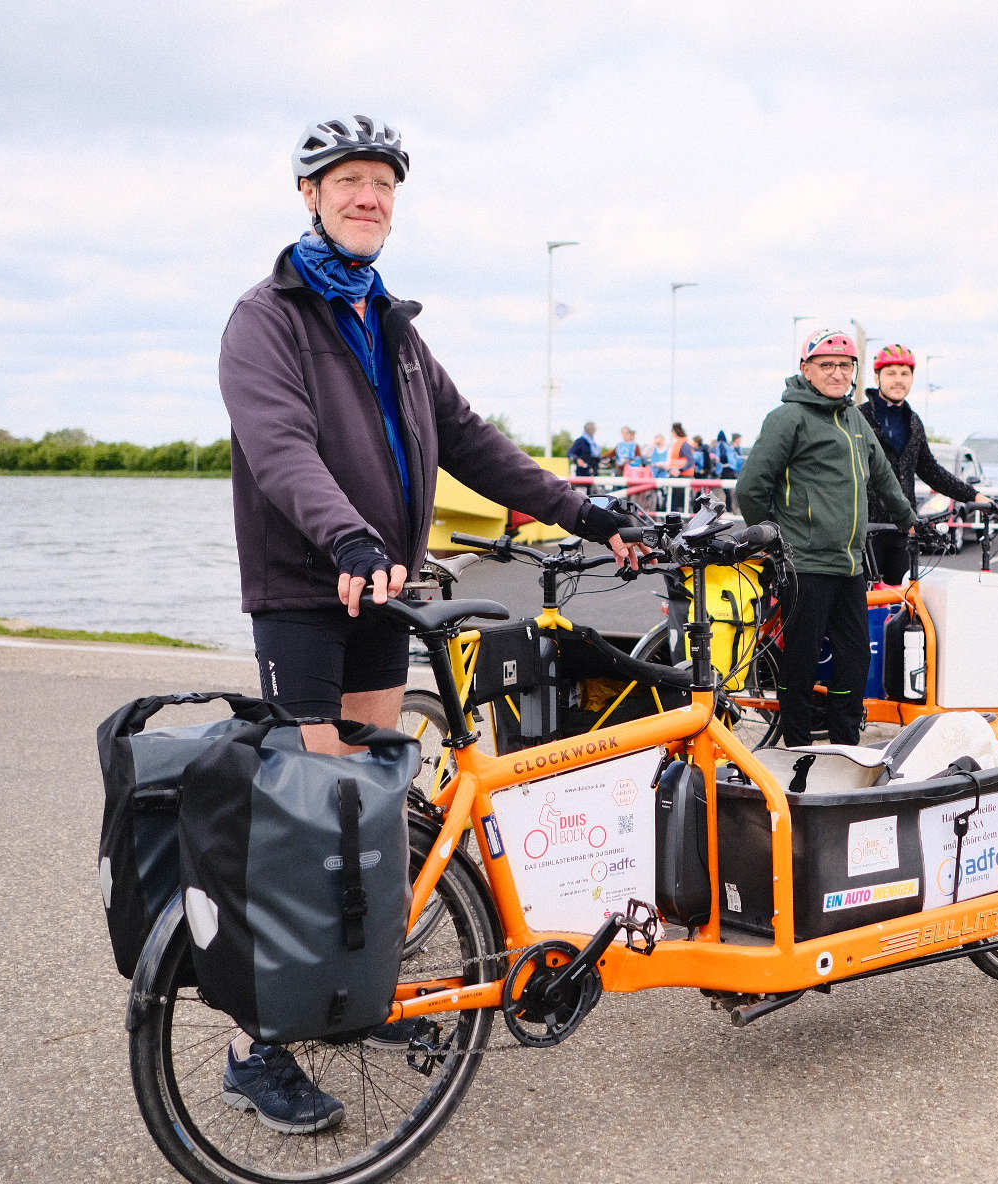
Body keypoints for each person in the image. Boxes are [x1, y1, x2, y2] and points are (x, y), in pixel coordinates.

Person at [217, 114, 639, 1132]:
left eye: (384, 184)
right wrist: (351, 539)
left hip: (382, 594)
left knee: (369, 820)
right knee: (307, 826)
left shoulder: (392, 325)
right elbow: (280, 449)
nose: (368, 196)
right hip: (307, 593)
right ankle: (253, 1046)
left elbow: (470, 440)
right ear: (309, 194)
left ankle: (356, 996)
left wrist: (589, 510)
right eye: (349, 180)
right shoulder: (265, 317)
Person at [737, 329, 916, 746]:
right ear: (806, 370)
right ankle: (796, 742)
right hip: (806, 564)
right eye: (827, 365)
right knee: (801, 659)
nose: (837, 373)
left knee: (855, 658)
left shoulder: (853, 418)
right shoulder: (788, 418)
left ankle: (842, 739)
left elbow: (883, 474)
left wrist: (908, 518)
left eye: (845, 365)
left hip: (849, 562)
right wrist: (772, 545)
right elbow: (750, 487)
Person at [856, 344, 989, 585]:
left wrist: (975, 496)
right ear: (877, 377)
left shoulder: (913, 421)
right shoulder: (859, 417)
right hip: (865, 530)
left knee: (902, 600)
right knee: (865, 605)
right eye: (891, 373)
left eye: (905, 373)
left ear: (912, 378)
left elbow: (930, 470)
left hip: (904, 530)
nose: (899, 380)